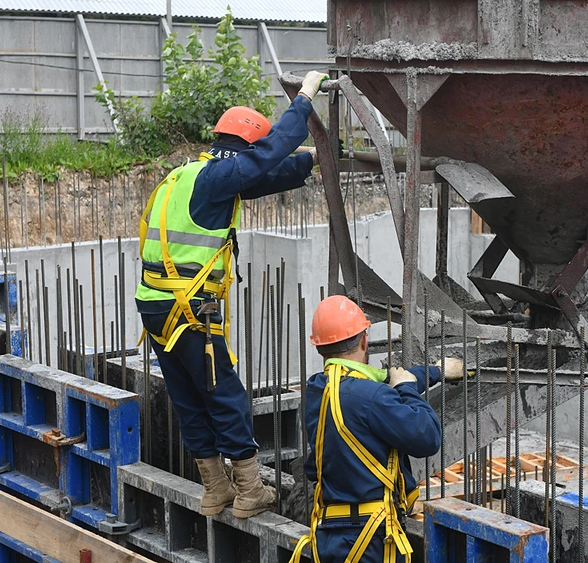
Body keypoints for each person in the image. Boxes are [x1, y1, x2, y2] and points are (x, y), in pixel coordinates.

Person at [135, 71, 329, 519]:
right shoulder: (216, 179)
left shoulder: (189, 175)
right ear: (244, 148)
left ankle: (214, 489)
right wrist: (304, 99)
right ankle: (248, 490)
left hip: (155, 306)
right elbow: (271, 151)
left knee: (188, 396)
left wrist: (314, 162)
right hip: (187, 309)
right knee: (225, 395)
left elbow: (265, 174)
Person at [291, 295, 463, 563]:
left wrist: (434, 372)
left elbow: (379, 383)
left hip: (330, 534)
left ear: (319, 348)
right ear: (363, 340)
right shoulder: (371, 398)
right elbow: (428, 437)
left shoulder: (316, 391)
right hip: (370, 538)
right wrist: (406, 387)